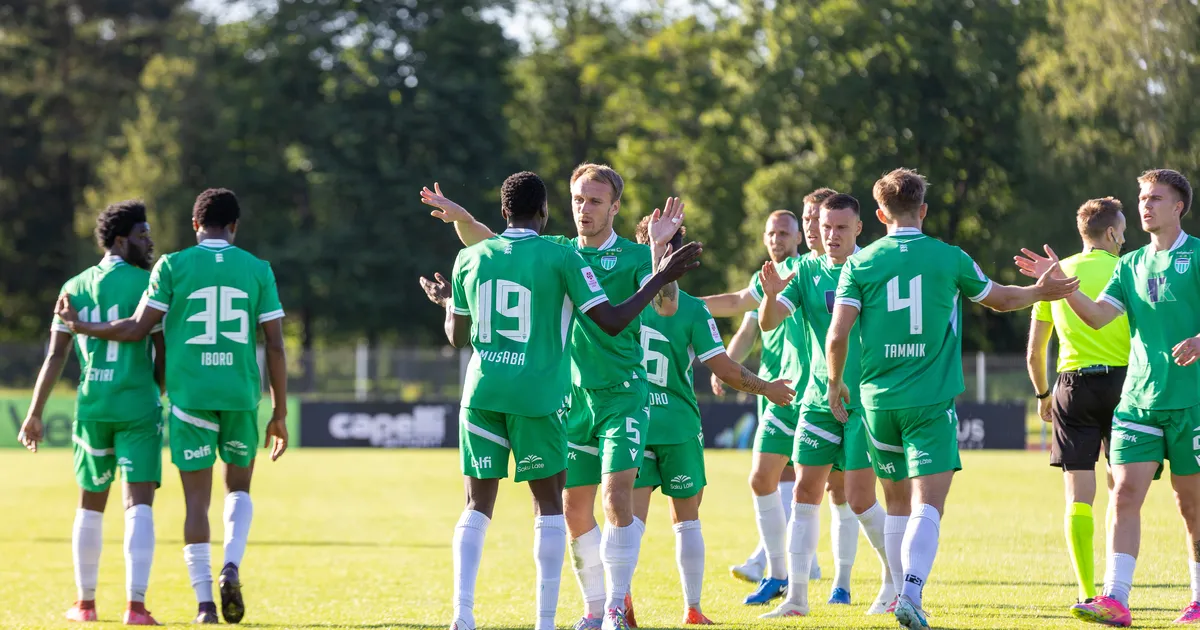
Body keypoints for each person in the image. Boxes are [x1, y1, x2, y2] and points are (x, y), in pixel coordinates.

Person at [417, 172, 701, 630]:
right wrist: (465, 218)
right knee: (568, 509)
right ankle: (592, 609)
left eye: (594, 200)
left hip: (622, 393)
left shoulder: (630, 254)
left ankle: (615, 608)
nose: (584, 208)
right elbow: (505, 247)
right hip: (570, 396)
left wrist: (658, 254)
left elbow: (666, 306)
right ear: (556, 207)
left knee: (616, 494)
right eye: (577, 199)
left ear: (614, 208)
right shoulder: (562, 251)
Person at [825, 168, 1079, 630]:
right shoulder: (950, 257)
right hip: (930, 399)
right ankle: (912, 594)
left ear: (880, 214)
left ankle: (900, 593)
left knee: (897, 501)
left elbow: (838, 333)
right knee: (929, 503)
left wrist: (834, 382)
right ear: (923, 210)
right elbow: (999, 299)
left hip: (878, 402)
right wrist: (1040, 291)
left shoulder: (859, 265)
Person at [56, 188, 290, 625]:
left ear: (195, 226)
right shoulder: (258, 269)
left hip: (189, 400)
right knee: (238, 489)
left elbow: (136, 329)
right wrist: (279, 413)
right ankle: (232, 565)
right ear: (234, 227)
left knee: (195, 505)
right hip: (240, 396)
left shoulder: (172, 265)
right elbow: (275, 346)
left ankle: (204, 606)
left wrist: (80, 325)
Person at [1017, 169, 1200, 628]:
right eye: (1142, 197)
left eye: (1156, 198)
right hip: (1137, 400)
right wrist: (1061, 284)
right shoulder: (1130, 264)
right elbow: (1098, 317)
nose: (1146, 204)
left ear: (1179, 207)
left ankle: (1198, 597)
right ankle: (1116, 598)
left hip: (1192, 401)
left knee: (1190, 503)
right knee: (1124, 494)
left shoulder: (1198, 257)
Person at [628, 217, 793, 625]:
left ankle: (620, 602)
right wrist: (768, 386)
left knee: (628, 522)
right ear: (681, 259)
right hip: (677, 427)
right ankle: (693, 609)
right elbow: (727, 370)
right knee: (686, 520)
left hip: (630, 421)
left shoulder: (619, 302)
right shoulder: (692, 310)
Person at [19, 200, 165, 626]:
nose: (147, 241)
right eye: (142, 234)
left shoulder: (74, 286)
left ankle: (84, 606)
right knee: (139, 506)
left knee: (89, 506)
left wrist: (34, 413)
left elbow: (55, 356)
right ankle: (136, 609)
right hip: (138, 405)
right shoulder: (147, 285)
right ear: (121, 240)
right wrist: (158, 387)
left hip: (92, 406)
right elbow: (162, 353)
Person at [755, 193, 897, 617]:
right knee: (803, 491)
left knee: (857, 498)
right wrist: (770, 295)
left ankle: (895, 581)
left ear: (858, 229)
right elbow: (767, 322)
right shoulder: (805, 271)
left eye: (839, 227)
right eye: (823, 225)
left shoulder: (873, 267)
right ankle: (796, 599)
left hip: (862, 402)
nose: (828, 233)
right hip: (816, 400)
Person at [1024, 197, 1130, 607]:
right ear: (1110, 233)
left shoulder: (1057, 272)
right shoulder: (1129, 269)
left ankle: (1087, 591)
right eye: (1122, 231)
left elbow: (1035, 351)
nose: (1125, 239)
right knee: (1123, 489)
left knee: (1078, 494)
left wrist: (1042, 394)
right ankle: (1114, 585)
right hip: (1125, 383)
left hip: (1073, 386)